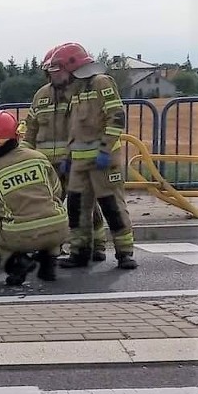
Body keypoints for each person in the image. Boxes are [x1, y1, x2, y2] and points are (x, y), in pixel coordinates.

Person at [49, 42, 136, 269]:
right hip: (79, 161)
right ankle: (79, 252)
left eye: (60, 69)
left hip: (102, 161)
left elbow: (116, 117)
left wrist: (105, 150)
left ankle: (124, 253)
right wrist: (69, 156)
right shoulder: (76, 90)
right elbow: (74, 128)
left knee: (111, 206)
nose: (57, 76)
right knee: (77, 208)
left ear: (73, 65)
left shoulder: (101, 83)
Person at [20, 46, 107, 261]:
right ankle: (51, 248)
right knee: (48, 209)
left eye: (58, 70)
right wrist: (24, 155)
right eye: (51, 71)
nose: (54, 74)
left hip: (76, 162)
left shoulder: (81, 93)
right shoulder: (41, 95)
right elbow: (30, 128)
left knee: (85, 208)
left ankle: (96, 246)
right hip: (46, 166)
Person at [0, 110, 69, 286]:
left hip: (20, 236)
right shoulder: (39, 158)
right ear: (16, 136)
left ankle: (15, 263)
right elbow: (56, 193)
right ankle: (49, 259)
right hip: (60, 229)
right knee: (48, 215)